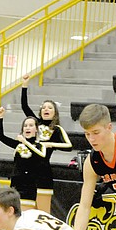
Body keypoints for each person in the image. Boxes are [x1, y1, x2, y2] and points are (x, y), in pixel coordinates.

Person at [20, 74, 72, 213]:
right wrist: (24, 85)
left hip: (43, 172)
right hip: (28, 173)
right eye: (43, 108)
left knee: (43, 212)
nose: (46, 109)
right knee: (28, 212)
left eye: (49, 108)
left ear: (55, 113)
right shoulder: (35, 125)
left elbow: (69, 146)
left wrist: (51, 144)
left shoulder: (56, 129)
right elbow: (25, 106)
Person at [0, 107, 48, 211]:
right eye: (25, 126)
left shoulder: (39, 145)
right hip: (15, 184)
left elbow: (42, 156)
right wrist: (0, 118)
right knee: (13, 215)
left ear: (36, 129)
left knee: (24, 216)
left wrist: (25, 142)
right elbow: (1, 137)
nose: (27, 128)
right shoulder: (18, 144)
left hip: (29, 186)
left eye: (31, 125)